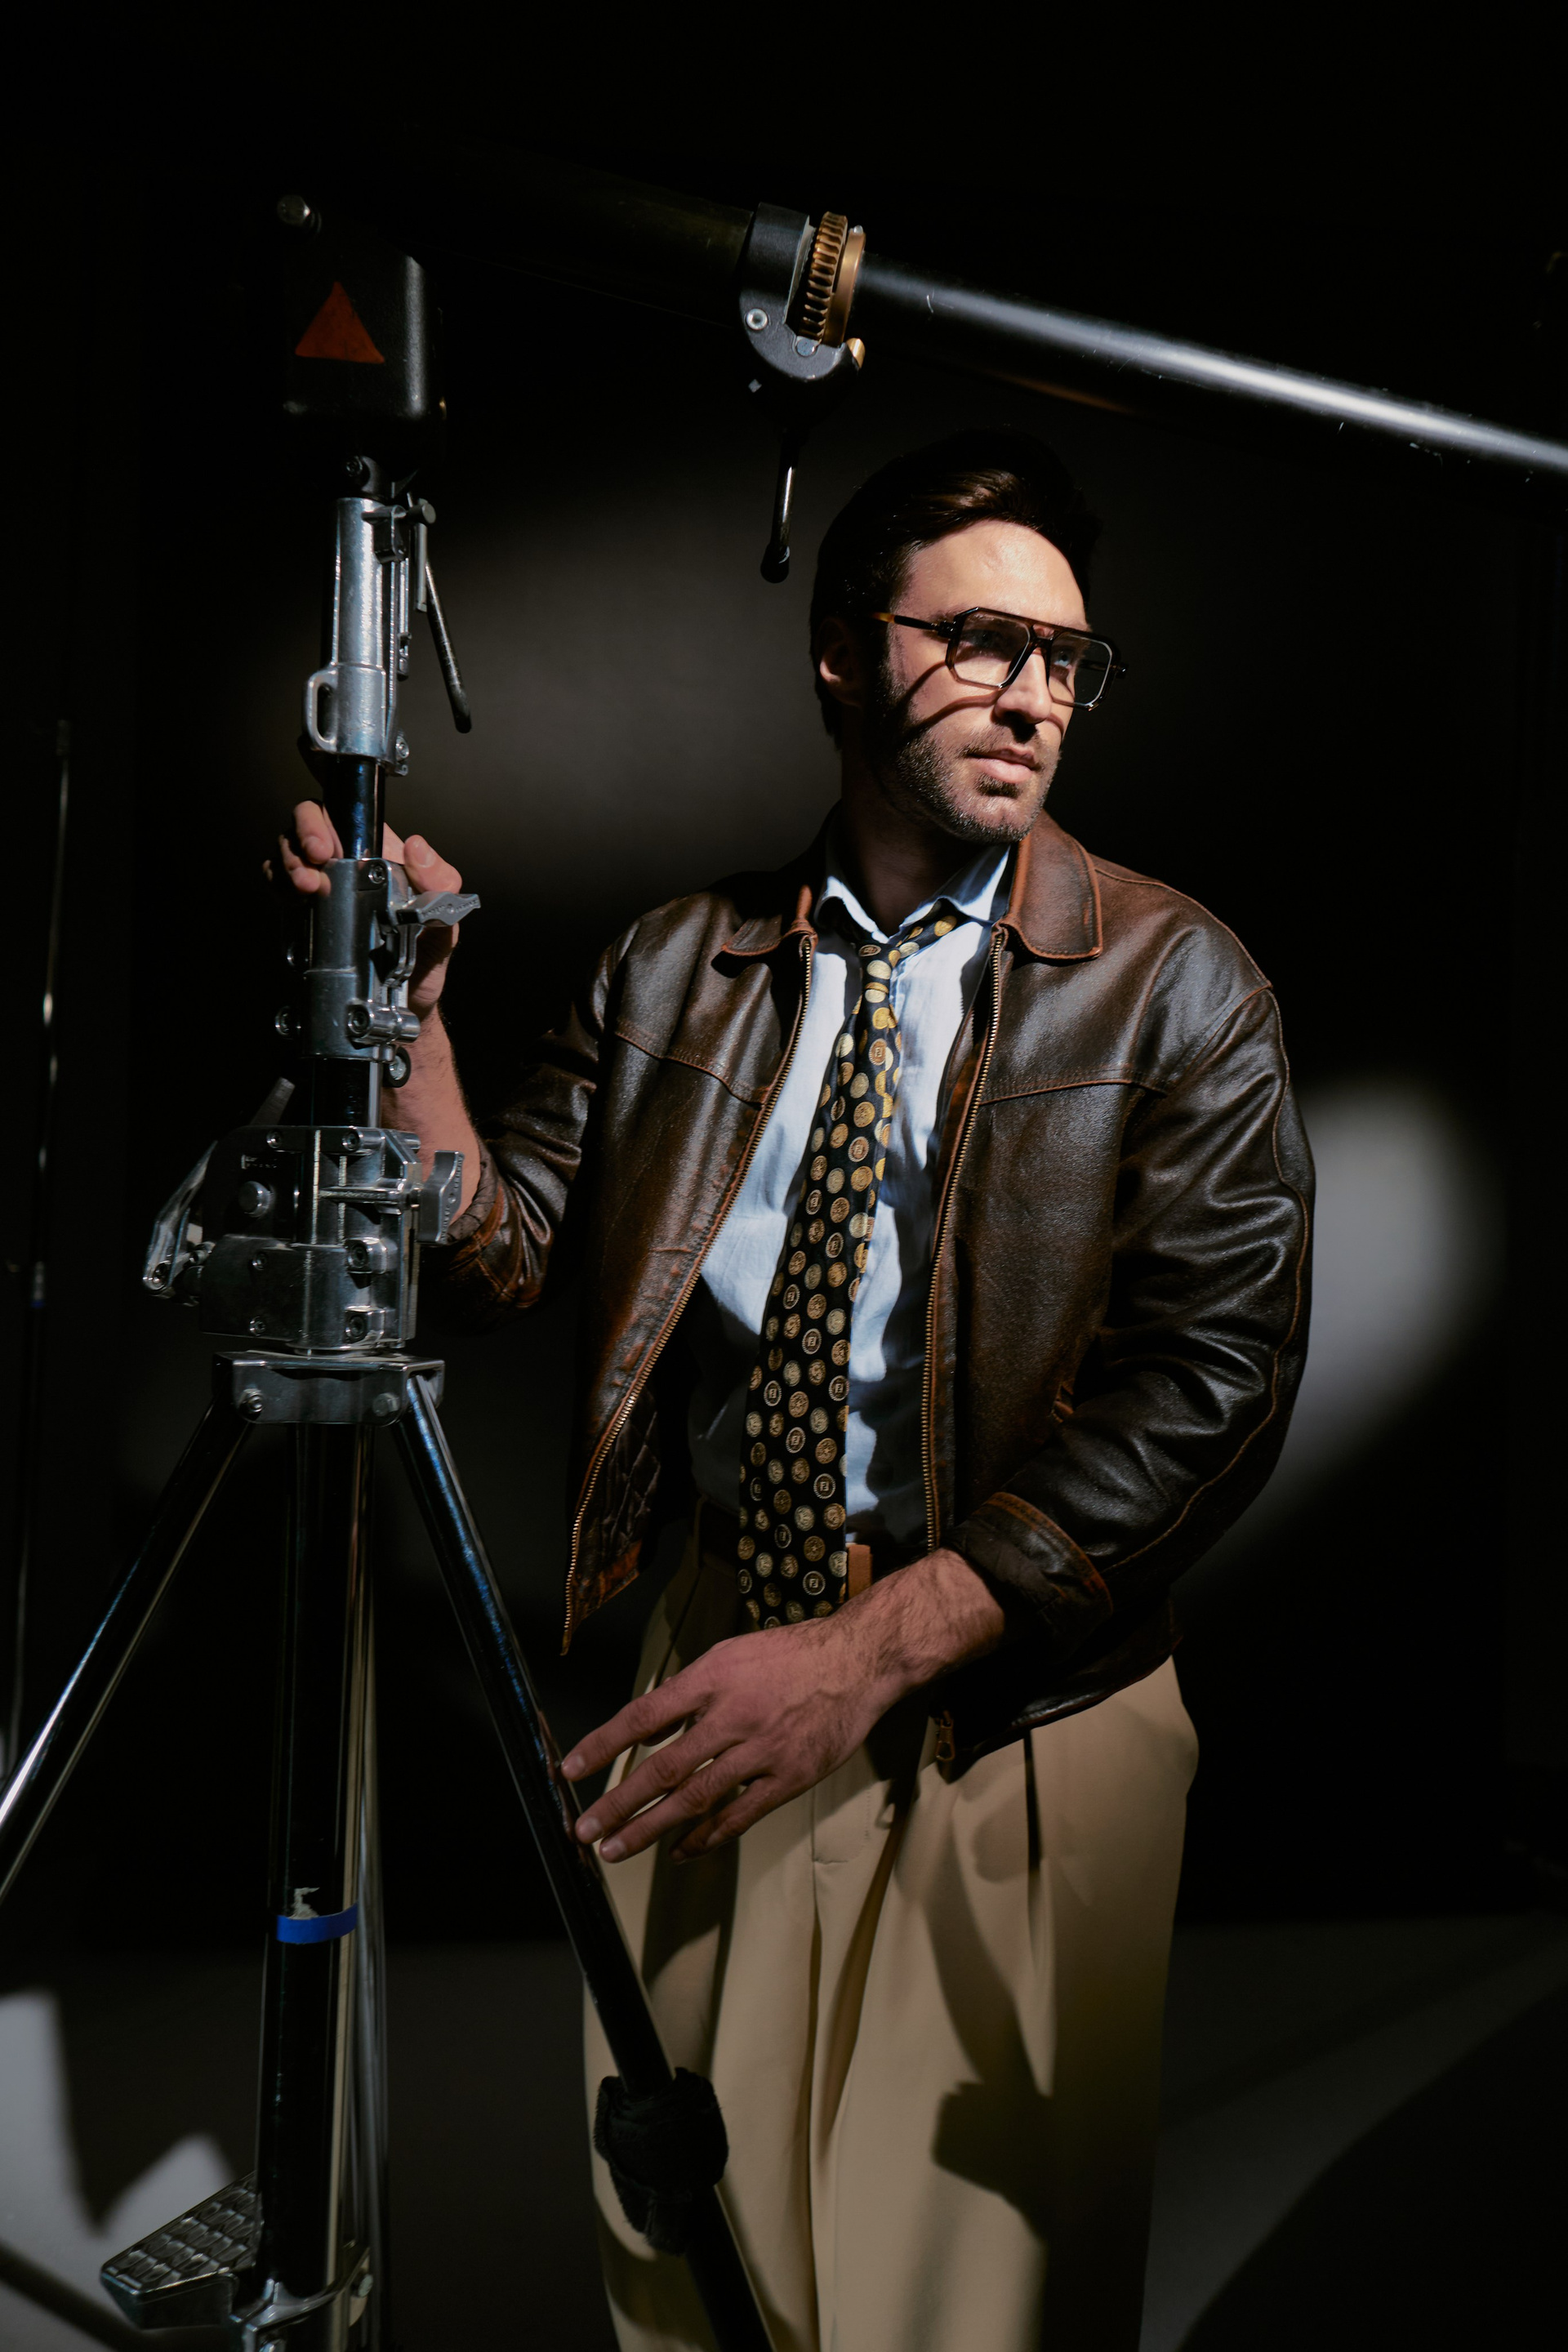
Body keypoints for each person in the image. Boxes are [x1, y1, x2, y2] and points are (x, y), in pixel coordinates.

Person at [279, 430, 1313, 2351]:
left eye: (1066, 658)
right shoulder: (677, 971)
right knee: (693, 2253)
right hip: (724, 1662)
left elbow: (1218, 1386)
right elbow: (491, 1260)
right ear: (847, 652)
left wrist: (871, 1655)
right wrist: (413, 1029)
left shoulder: (1176, 984)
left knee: (962, 2297)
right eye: (983, 639)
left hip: (1013, 1696)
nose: (1032, 694)